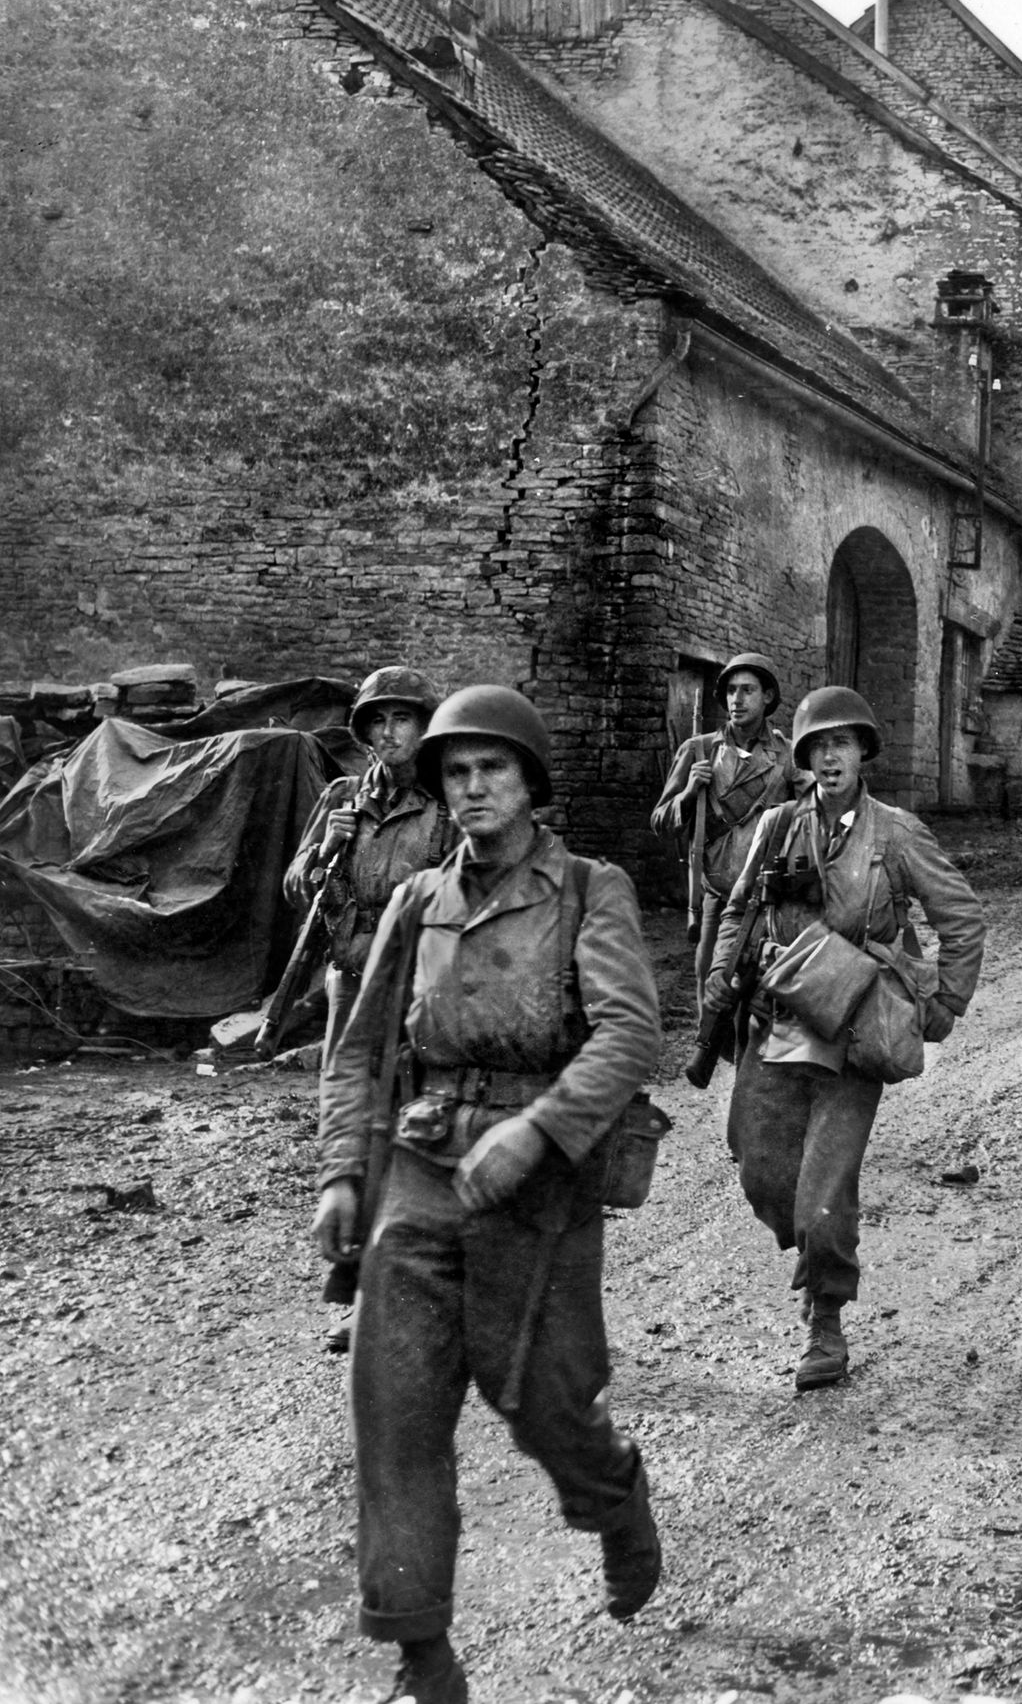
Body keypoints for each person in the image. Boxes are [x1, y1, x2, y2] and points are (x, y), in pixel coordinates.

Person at [314, 686, 665, 1704]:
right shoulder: (419, 900)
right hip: (423, 1176)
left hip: (538, 1187)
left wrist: (537, 1130)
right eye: (454, 774)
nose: (470, 789)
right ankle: (421, 1653)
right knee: (396, 1412)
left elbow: (629, 1035)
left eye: (490, 771)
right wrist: (343, 1171)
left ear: (529, 784)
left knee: (545, 1405)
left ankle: (615, 1503)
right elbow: (361, 1048)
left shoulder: (590, 890)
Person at [705, 687, 987, 1391]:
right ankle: (809, 1246)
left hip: (855, 1028)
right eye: (817, 746)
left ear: (863, 753)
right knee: (762, 1174)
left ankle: (823, 1320)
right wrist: (717, 986)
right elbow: (739, 909)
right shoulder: (776, 827)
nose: (830, 756)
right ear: (802, 757)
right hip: (779, 1021)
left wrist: (942, 1004)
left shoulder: (894, 832)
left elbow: (962, 917)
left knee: (823, 1193)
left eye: (843, 744)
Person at [285, 667, 453, 1056]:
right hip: (353, 973)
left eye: (402, 719)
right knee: (342, 1091)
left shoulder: (449, 802)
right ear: (365, 734)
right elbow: (294, 888)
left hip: (423, 977)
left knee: (412, 1095)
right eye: (377, 721)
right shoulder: (343, 796)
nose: (388, 732)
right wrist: (324, 849)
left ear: (426, 727)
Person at [648, 654, 794, 984]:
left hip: (766, 892)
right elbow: (659, 821)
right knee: (711, 981)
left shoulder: (787, 756)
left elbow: (816, 809)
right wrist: (687, 794)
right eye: (731, 691)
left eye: (747, 690)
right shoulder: (698, 750)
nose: (736, 700)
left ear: (767, 696)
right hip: (716, 890)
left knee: (765, 984)